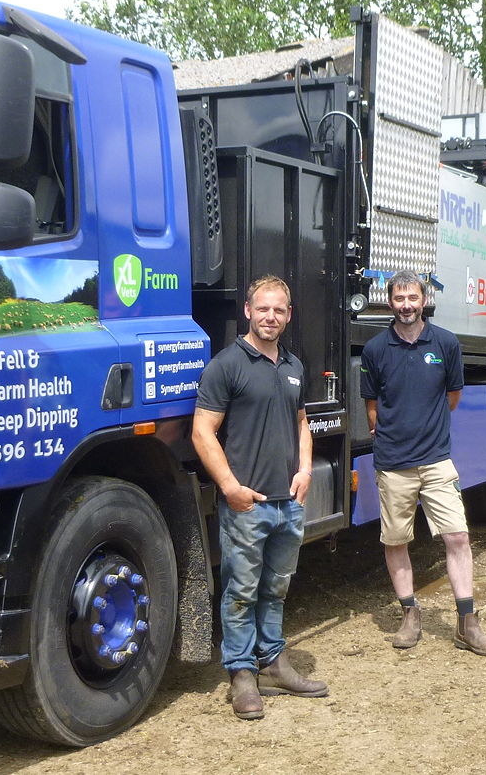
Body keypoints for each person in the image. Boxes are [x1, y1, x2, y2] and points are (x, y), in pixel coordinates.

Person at [192, 275, 329, 720]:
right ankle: (241, 674)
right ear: (247, 311)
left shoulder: (292, 366)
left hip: (287, 505)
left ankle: (272, 663)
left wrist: (305, 470)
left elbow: (301, 423)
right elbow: (202, 432)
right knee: (241, 591)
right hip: (247, 505)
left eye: (279, 310)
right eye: (263, 308)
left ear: (288, 316)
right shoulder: (227, 365)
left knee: (276, 588)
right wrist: (230, 488)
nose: (271, 316)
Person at [359, 270, 486, 657]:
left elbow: (452, 395)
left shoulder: (445, 343)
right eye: (399, 298)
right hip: (393, 463)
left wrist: (427, 428)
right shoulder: (375, 349)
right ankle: (410, 613)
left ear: (424, 301)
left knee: (457, 535)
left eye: (413, 298)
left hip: (436, 459)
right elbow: (371, 406)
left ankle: (467, 622)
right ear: (389, 302)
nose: (406, 305)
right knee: (396, 540)